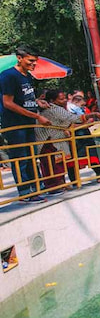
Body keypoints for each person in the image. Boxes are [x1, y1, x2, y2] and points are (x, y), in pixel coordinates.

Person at [0, 45, 51, 202]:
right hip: (15, 124)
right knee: (20, 157)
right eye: (30, 61)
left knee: (31, 155)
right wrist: (37, 117)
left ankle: (36, 187)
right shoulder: (8, 76)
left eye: (35, 61)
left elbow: (23, 99)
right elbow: (8, 103)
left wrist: (38, 103)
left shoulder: (28, 76)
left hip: (28, 122)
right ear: (20, 58)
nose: (33, 64)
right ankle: (25, 191)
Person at [35, 90, 100, 193]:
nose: (65, 100)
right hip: (49, 140)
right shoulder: (53, 109)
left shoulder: (57, 108)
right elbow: (72, 118)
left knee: (58, 163)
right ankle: (54, 186)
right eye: (61, 99)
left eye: (65, 98)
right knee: (52, 164)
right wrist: (92, 115)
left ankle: (60, 183)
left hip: (56, 139)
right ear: (52, 100)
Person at [67, 90, 100, 183]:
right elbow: (68, 124)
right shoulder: (66, 109)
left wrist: (88, 123)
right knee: (73, 159)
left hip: (85, 134)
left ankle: (99, 174)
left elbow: (87, 119)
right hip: (74, 136)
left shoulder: (82, 109)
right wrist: (84, 123)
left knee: (92, 154)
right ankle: (74, 180)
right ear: (70, 96)